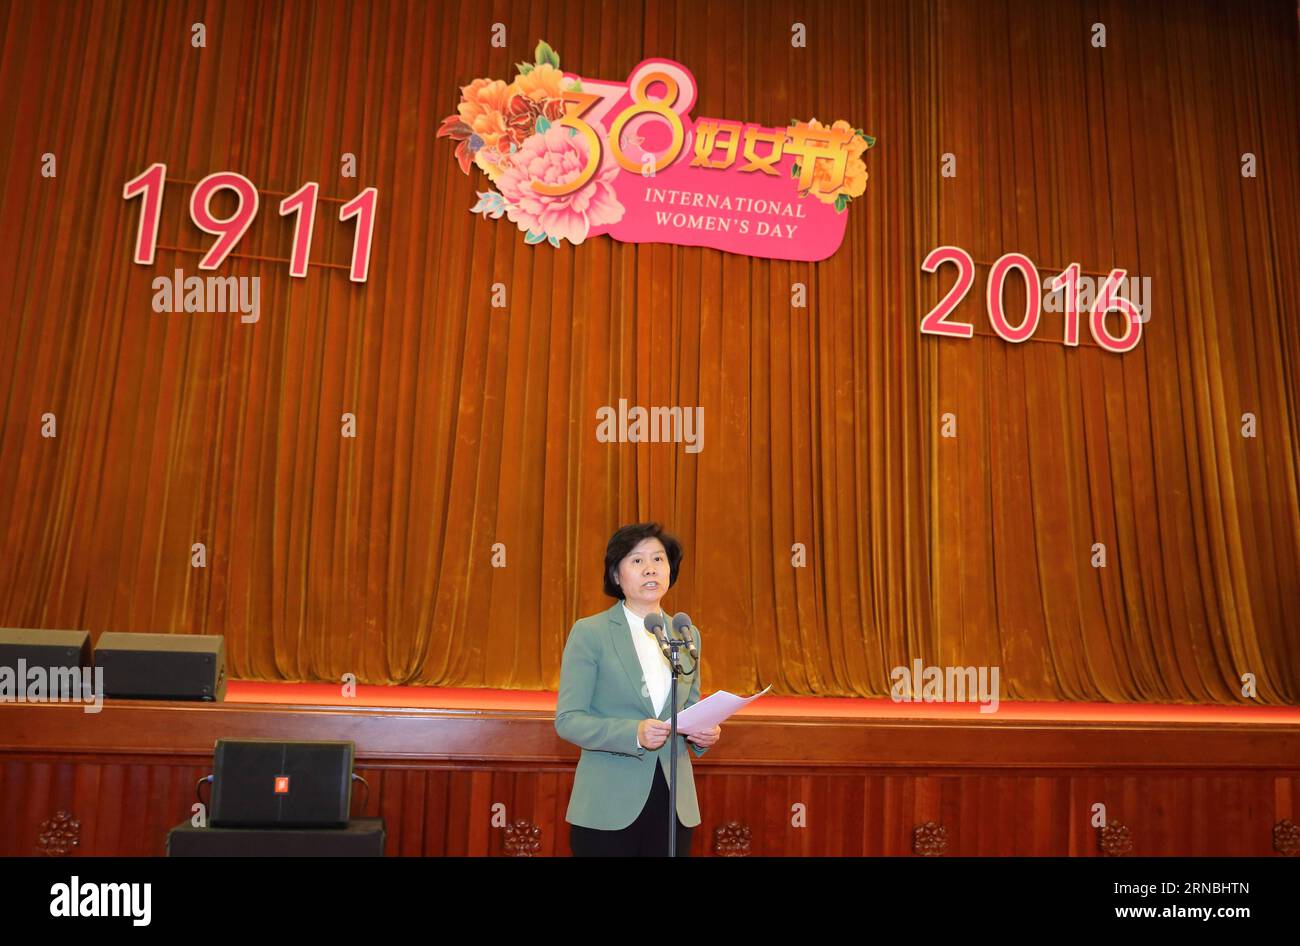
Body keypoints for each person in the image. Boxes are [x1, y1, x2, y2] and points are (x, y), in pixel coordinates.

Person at [555, 522, 722, 856]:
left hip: (673, 801)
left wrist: (703, 733)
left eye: (659, 560)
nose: (650, 569)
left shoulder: (686, 633)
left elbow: (689, 710)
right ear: (616, 576)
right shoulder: (591, 633)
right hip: (608, 803)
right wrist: (634, 733)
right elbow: (569, 720)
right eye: (636, 560)